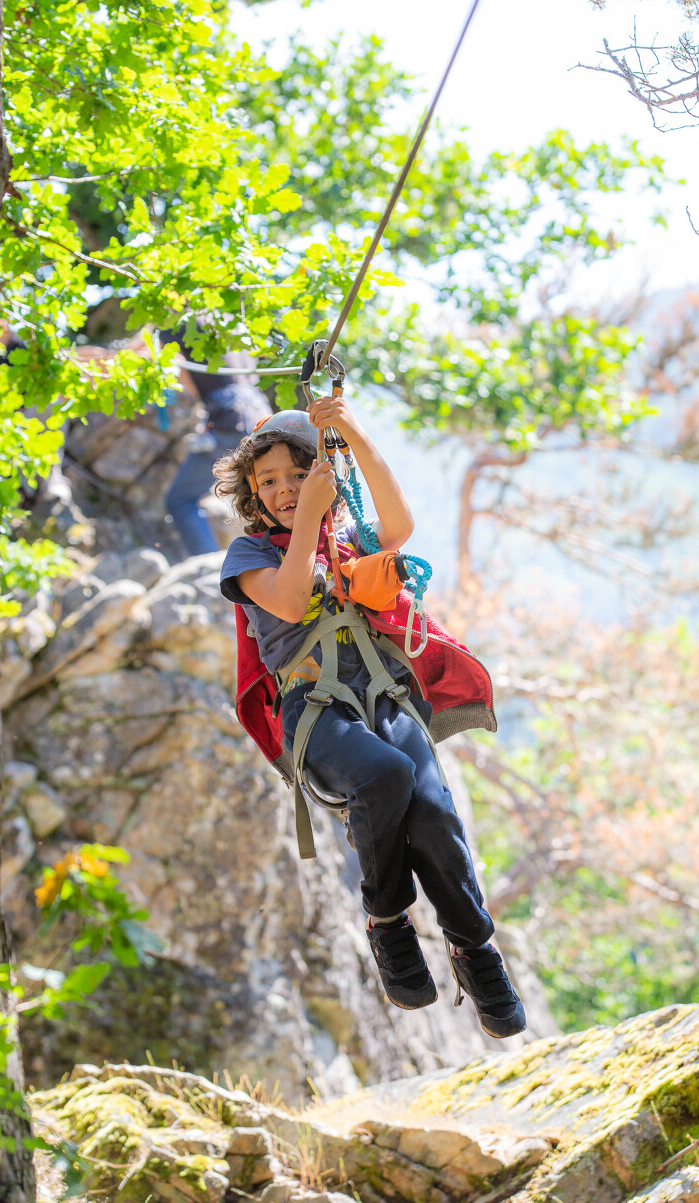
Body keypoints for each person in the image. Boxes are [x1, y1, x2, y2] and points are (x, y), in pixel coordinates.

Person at [214, 400, 526, 1037]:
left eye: (296, 476)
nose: (282, 490)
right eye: (267, 481)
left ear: (323, 474)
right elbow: (294, 597)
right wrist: (307, 521)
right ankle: (387, 922)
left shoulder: (349, 536)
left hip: (387, 697)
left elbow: (399, 523)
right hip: (316, 713)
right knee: (383, 776)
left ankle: (476, 950)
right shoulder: (248, 557)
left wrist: (349, 430)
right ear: (252, 494)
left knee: (435, 811)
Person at [158, 326, 270, 556]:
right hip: (262, 416)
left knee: (180, 500)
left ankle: (208, 566)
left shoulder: (173, 324)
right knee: (266, 496)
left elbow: (181, 373)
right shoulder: (232, 323)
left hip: (228, 419)